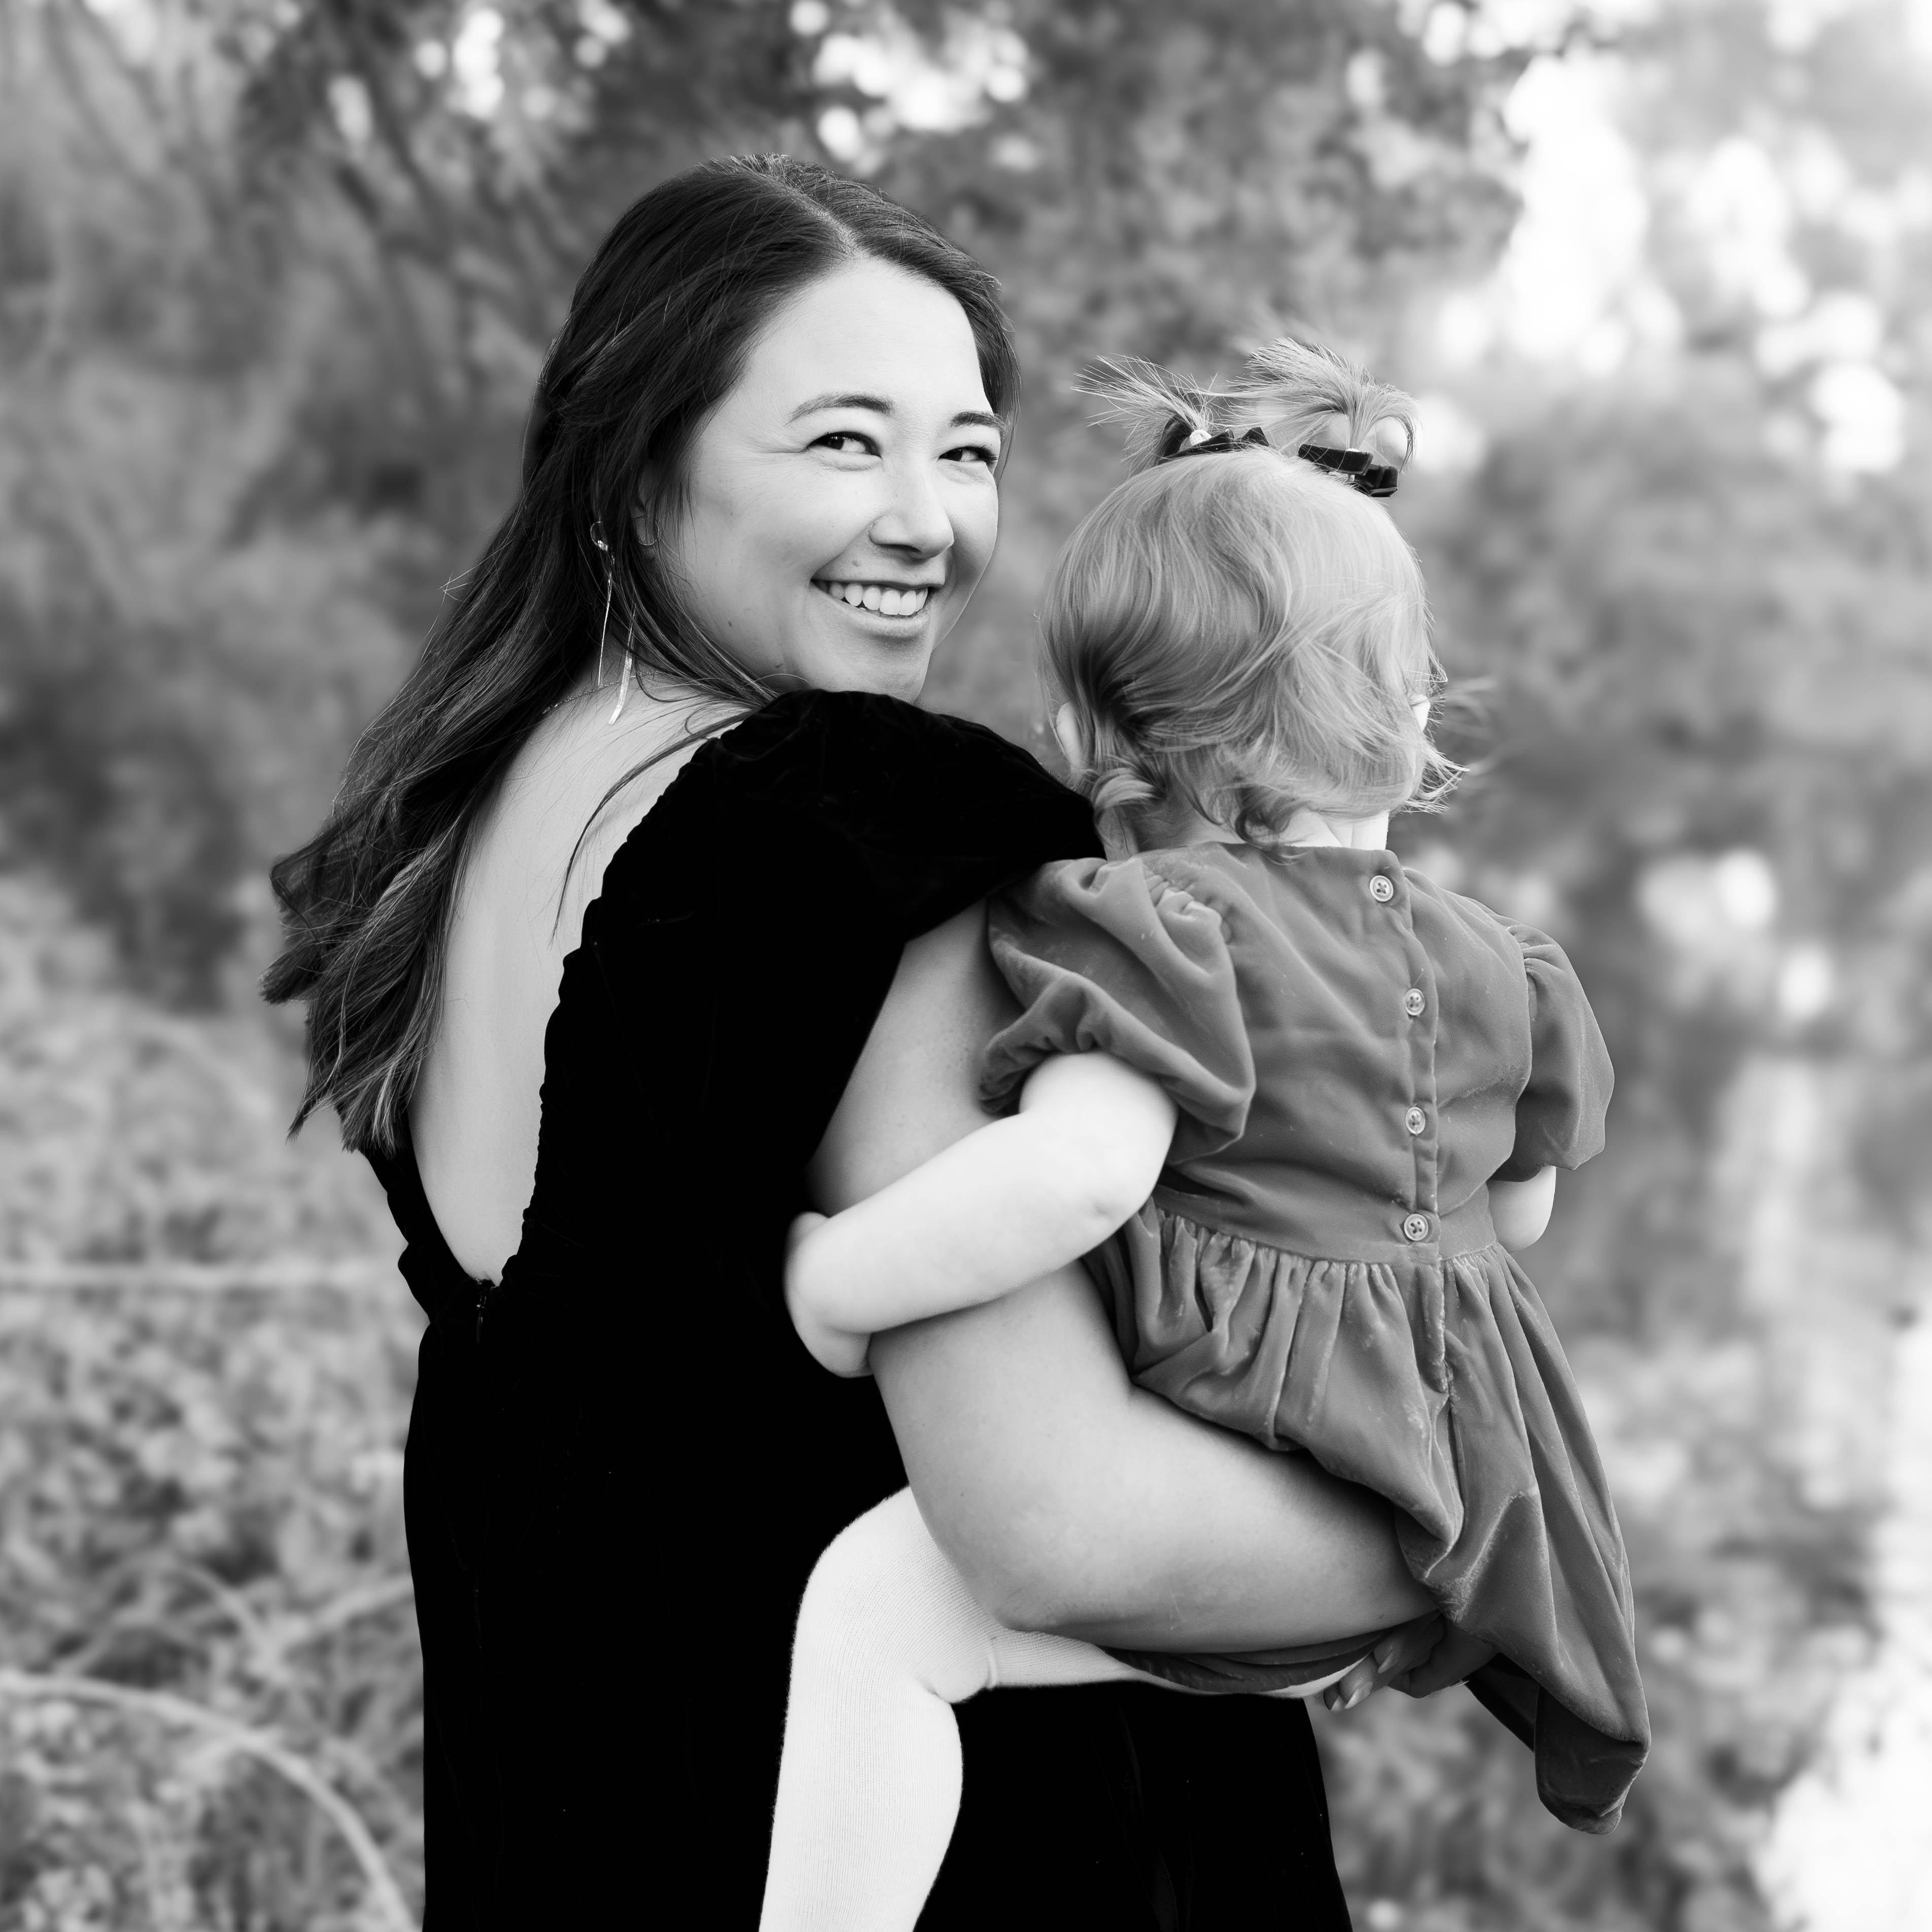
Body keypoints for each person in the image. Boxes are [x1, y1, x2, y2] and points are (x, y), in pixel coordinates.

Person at [265, 157, 1440, 1928]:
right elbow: (1059, 1524)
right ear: (634, 467)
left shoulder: (459, 831)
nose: (927, 524)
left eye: (966, 452)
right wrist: (1455, 1545)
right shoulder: (858, 827)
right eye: (841, 443)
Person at [768, 344, 1652, 1931]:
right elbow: (1512, 1219)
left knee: (873, 1620)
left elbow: (1079, 1173)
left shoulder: (1171, 931)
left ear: (1102, 737)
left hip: (1243, 1469)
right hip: (1435, 1499)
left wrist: (842, 1283)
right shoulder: (1509, 970)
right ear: (1406, 716)